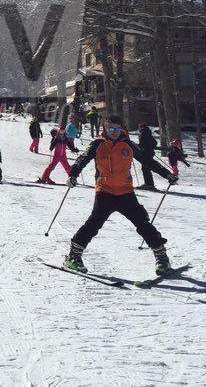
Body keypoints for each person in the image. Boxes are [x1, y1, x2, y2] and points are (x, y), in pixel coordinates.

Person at [63, 114, 178, 275]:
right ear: (105, 129)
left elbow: (148, 160)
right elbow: (83, 159)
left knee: (143, 223)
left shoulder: (128, 145)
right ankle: (73, 256)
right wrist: (73, 174)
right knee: (93, 224)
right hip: (105, 192)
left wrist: (167, 174)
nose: (114, 132)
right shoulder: (97, 145)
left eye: (117, 129)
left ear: (122, 129)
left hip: (125, 193)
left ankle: (161, 257)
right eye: (111, 129)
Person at [137, 123, 159, 190]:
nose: (138, 128)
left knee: (145, 168)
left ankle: (148, 184)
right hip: (150, 152)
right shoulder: (148, 132)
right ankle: (149, 183)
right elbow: (155, 142)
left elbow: (142, 143)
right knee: (147, 167)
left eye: (139, 127)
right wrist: (150, 147)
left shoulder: (143, 133)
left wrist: (141, 147)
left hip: (146, 153)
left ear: (141, 127)